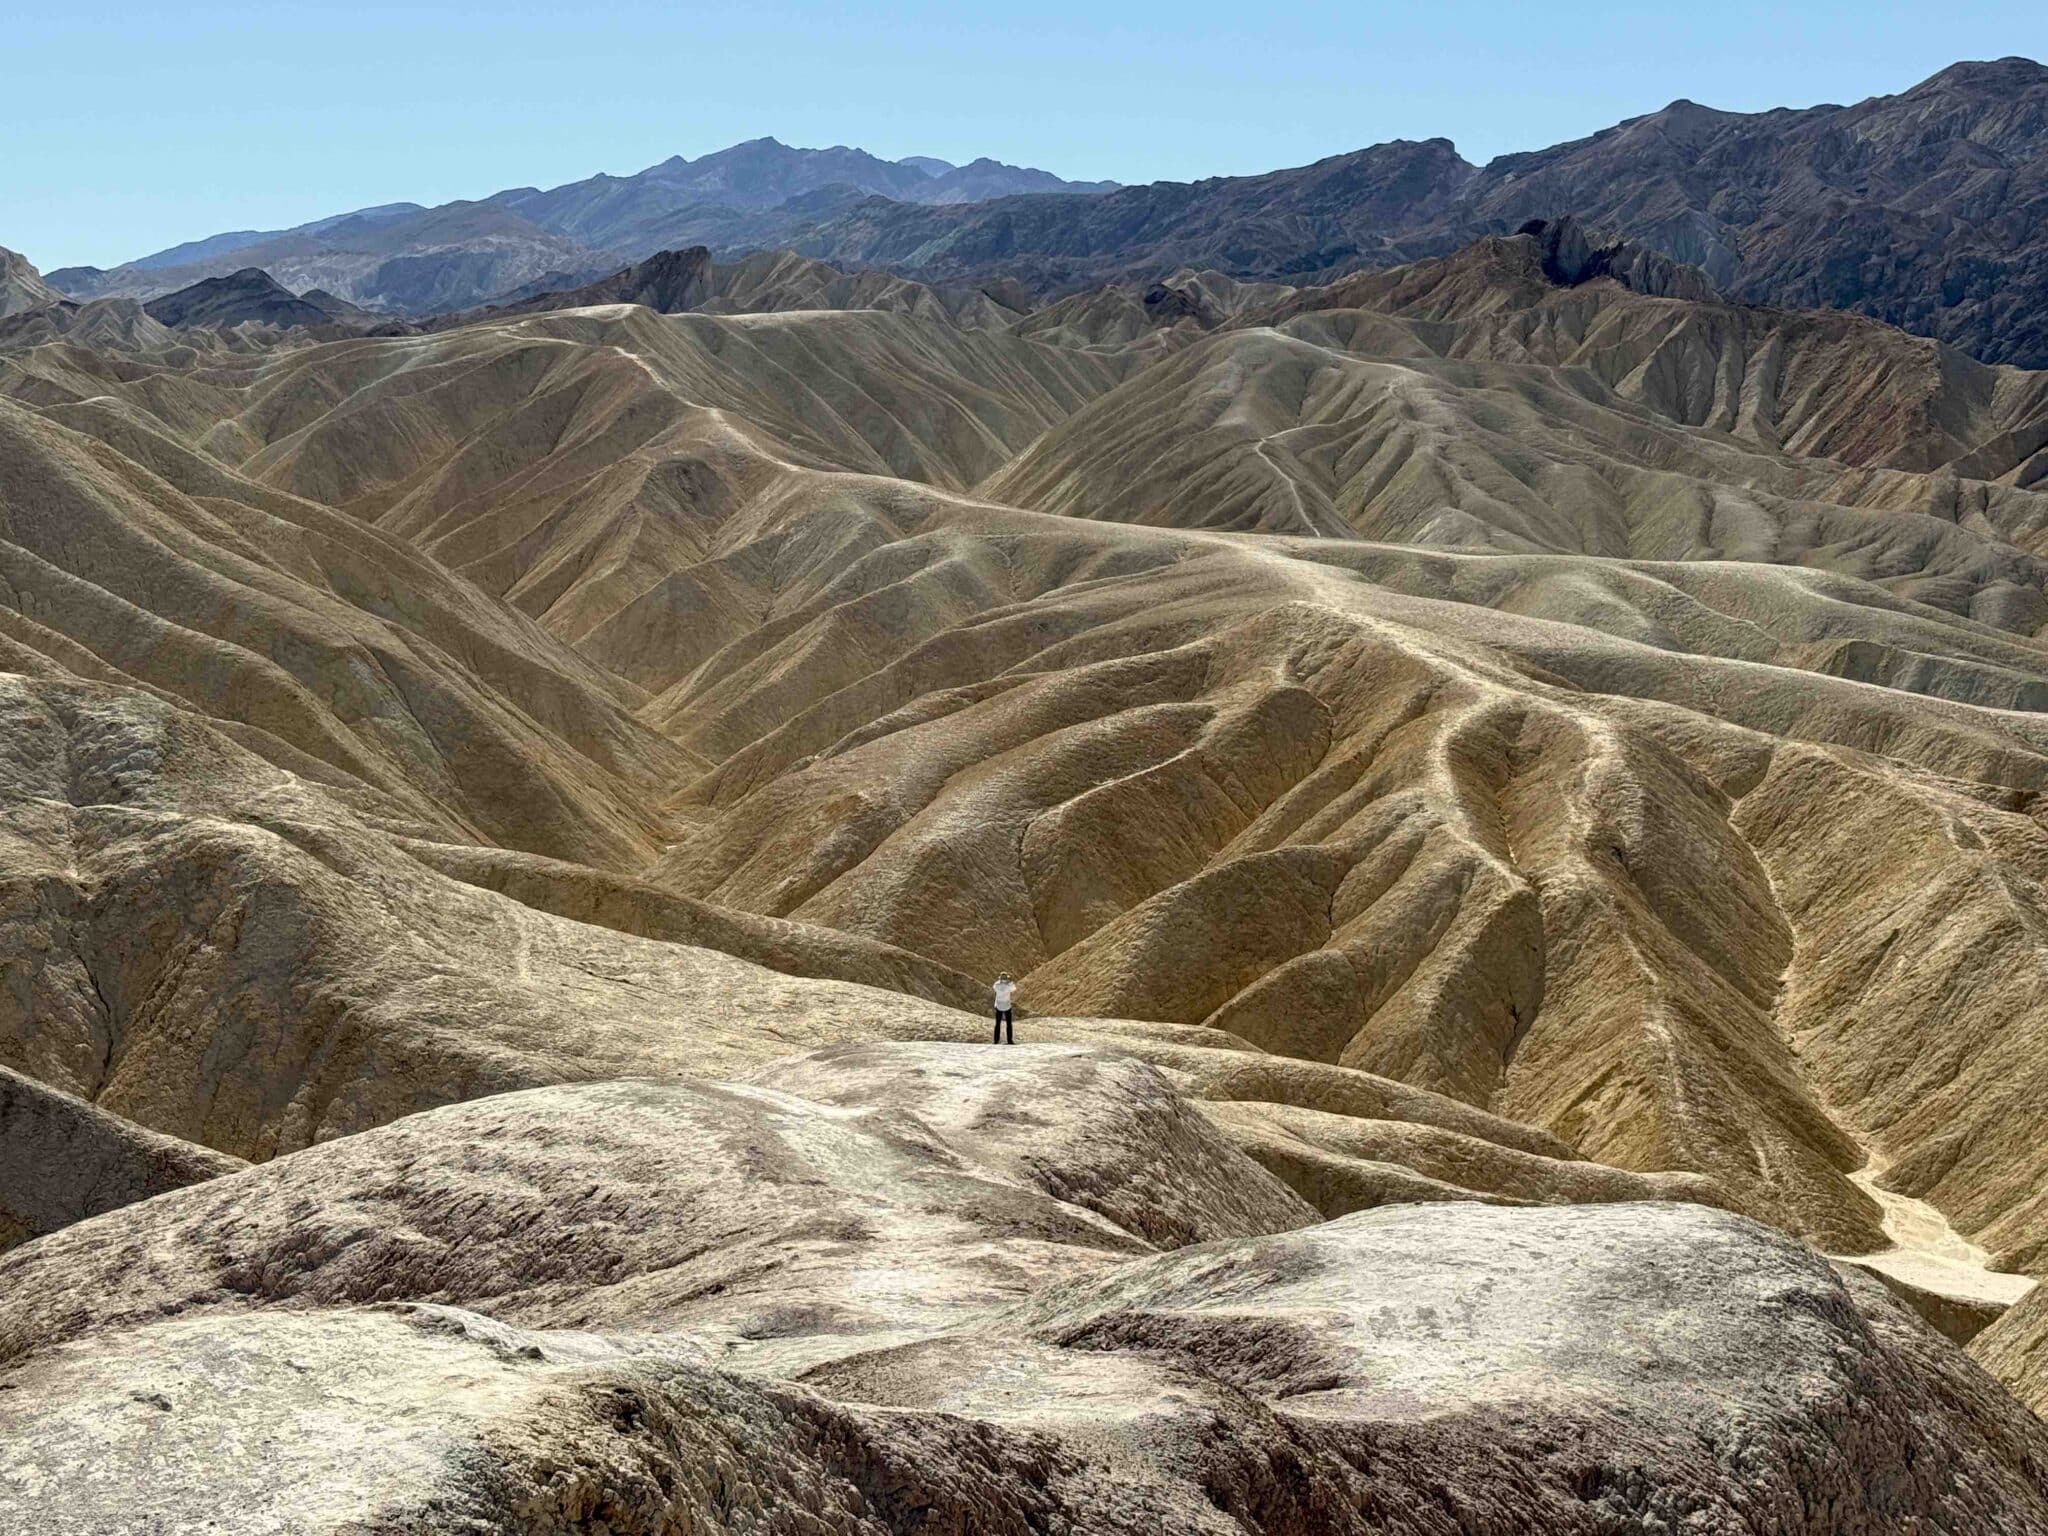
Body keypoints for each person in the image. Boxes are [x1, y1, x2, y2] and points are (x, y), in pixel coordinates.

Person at [992, 971, 1015, 1044]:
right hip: (1007, 1005)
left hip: (998, 1005)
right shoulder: (1009, 985)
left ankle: (996, 1040)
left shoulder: (996, 985)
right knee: (1009, 1024)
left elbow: (994, 988)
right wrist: (1010, 982)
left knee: (997, 1024)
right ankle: (1010, 1040)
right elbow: (1014, 989)